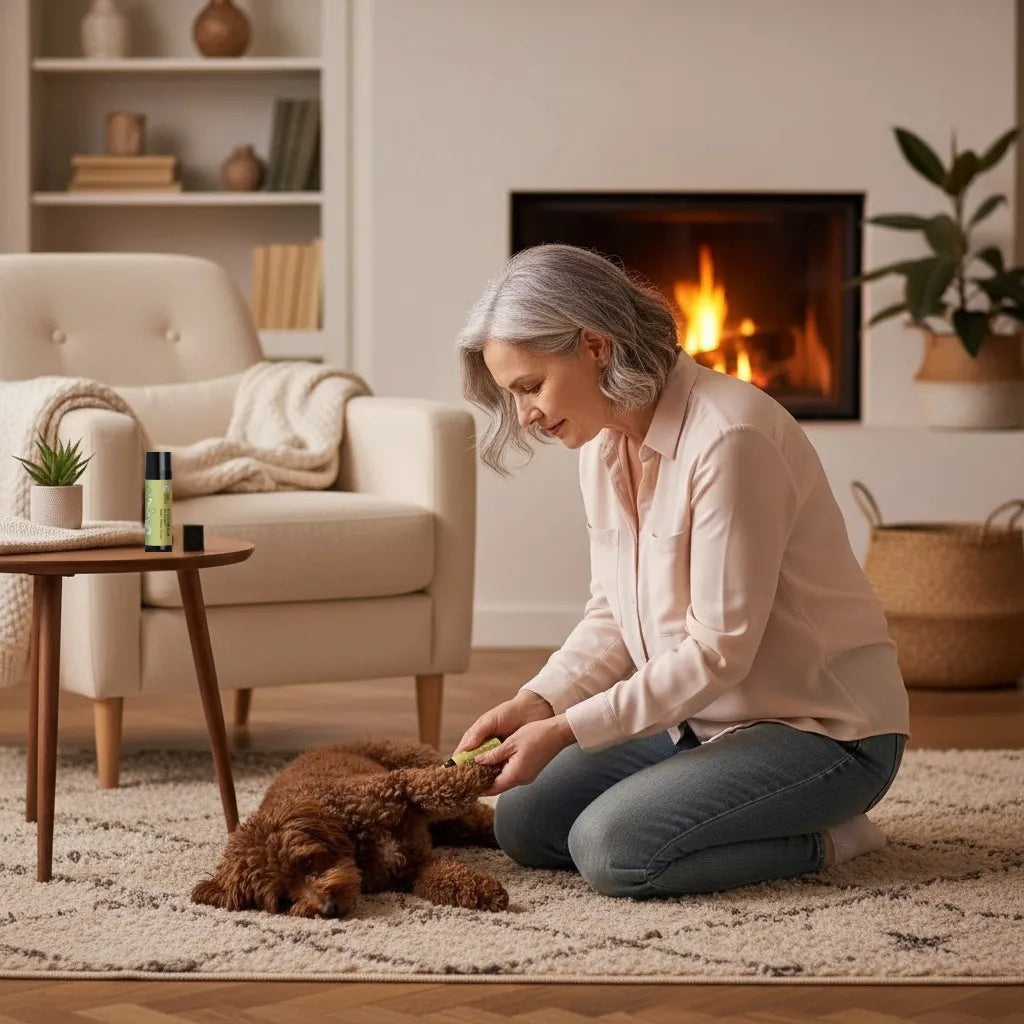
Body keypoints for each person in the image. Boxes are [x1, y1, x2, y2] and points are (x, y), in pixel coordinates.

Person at [453, 243, 909, 898]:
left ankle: (836, 836)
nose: (523, 414)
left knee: (611, 848)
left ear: (595, 346)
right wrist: (539, 702)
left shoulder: (730, 439)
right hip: (698, 723)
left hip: (826, 731)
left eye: (530, 386)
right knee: (524, 823)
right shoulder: (602, 440)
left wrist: (566, 729)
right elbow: (611, 615)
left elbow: (719, 652)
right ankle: (706, 792)